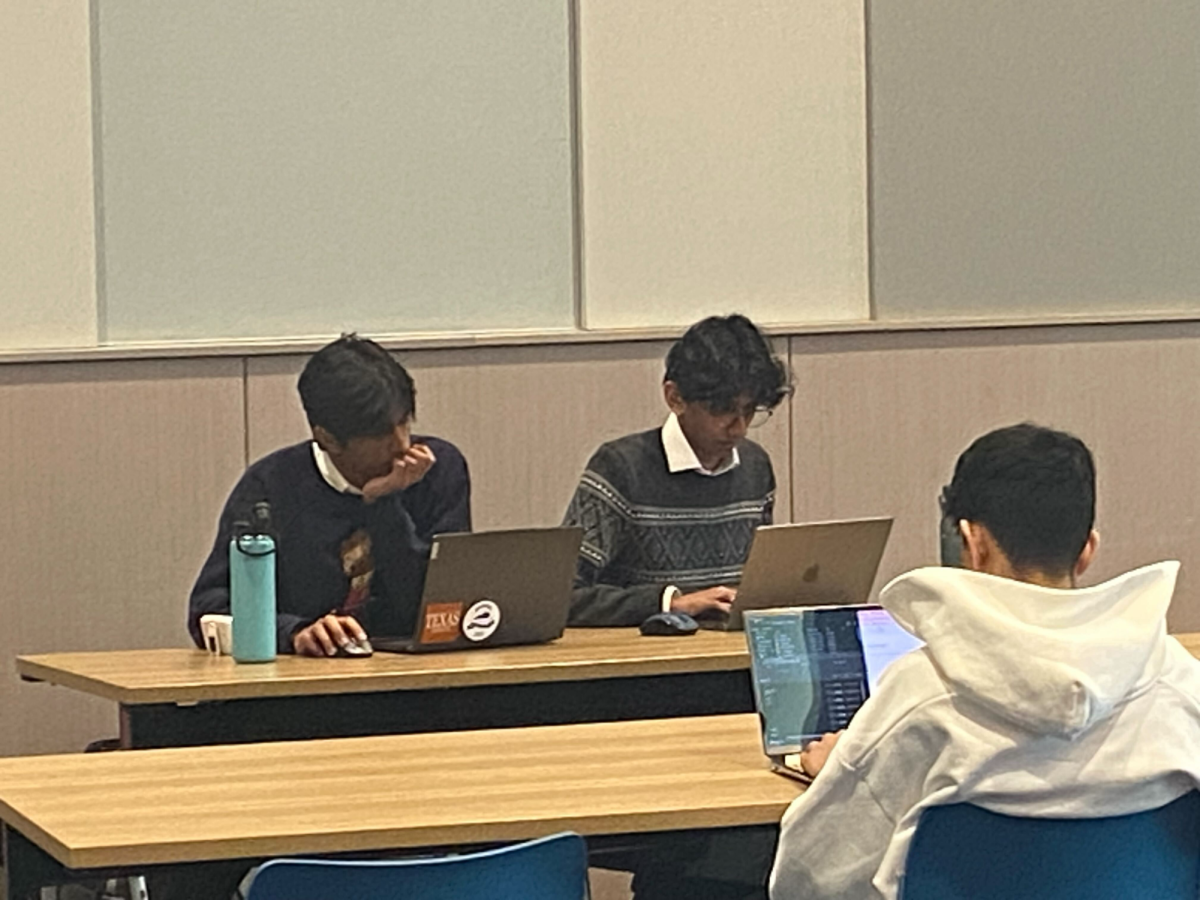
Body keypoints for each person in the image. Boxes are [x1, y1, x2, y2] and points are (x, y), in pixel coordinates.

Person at [770, 423, 1200, 900]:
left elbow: (807, 882)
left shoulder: (922, 696)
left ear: (973, 544)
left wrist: (845, 772)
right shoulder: (1179, 686)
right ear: (1087, 550)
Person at [188, 334, 471, 656]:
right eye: (381, 435)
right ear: (328, 439)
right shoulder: (270, 486)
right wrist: (294, 632)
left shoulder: (437, 469)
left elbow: (439, 605)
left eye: (405, 422)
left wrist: (384, 503)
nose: (402, 444)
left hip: (414, 678)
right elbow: (208, 612)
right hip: (304, 686)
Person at [564, 313, 791, 627]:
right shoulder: (621, 468)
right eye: (722, 410)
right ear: (675, 398)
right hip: (653, 662)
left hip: (734, 654)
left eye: (749, 411)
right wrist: (671, 602)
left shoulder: (755, 467)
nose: (739, 428)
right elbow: (563, 595)